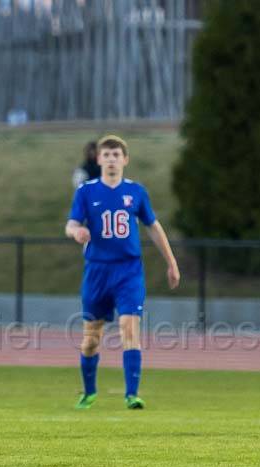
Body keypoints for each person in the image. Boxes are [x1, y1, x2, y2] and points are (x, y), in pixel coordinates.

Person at [66, 135, 180, 410]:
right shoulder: (86, 191)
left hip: (128, 271)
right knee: (91, 339)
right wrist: (77, 232)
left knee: (130, 327)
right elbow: (70, 225)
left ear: (125, 159)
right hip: (97, 271)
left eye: (117, 155)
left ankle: (132, 394)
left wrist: (171, 261)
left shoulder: (136, 192)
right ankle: (89, 392)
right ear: (99, 159)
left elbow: (153, 226)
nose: (112, 159)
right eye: (107, 155)